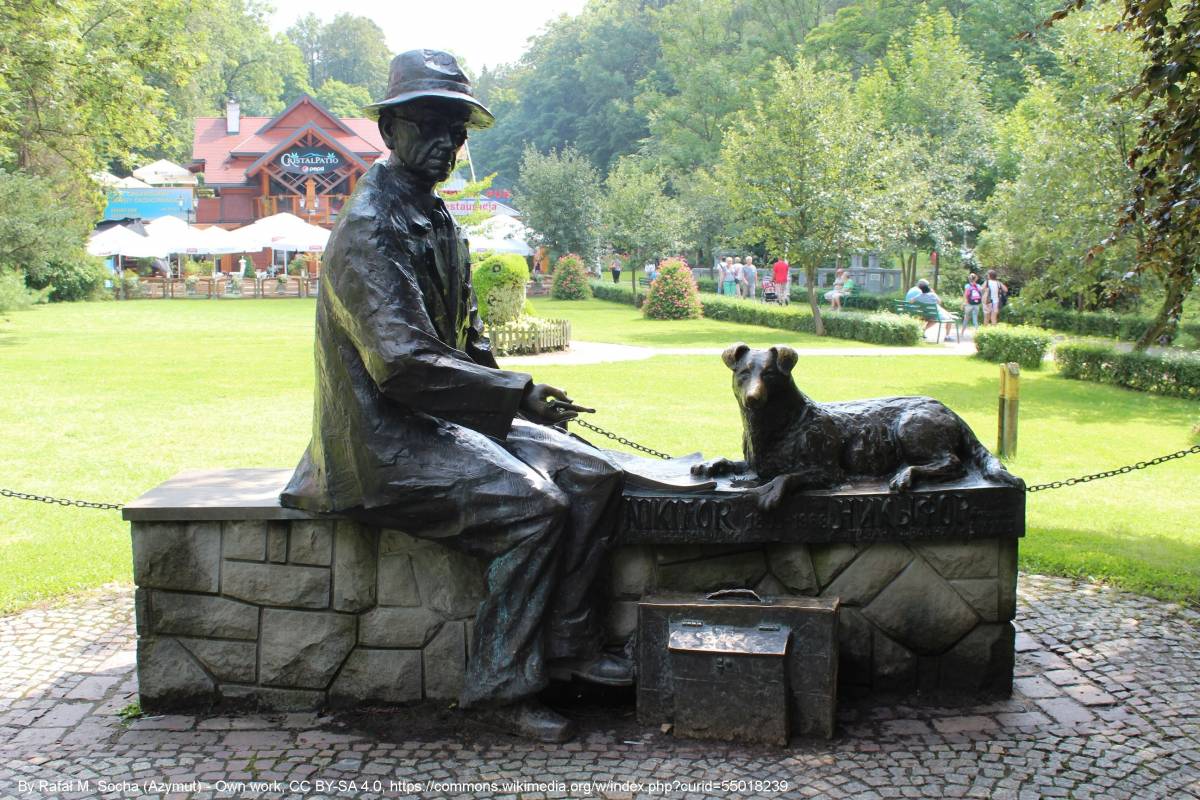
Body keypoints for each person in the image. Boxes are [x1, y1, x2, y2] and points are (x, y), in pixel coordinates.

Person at [280, 49, 630, 744]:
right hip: (379, 443)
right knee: (534, 508)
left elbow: (468, 348)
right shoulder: (370, 227)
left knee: (593, 473)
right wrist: (515, 394)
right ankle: (501, 685)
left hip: (439, 422)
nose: (449, 142)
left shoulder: (438, 221)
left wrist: (521, 405)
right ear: (391, 130)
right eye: (432, 124)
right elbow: (404, 367)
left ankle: (570, 646)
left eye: (459, 129)